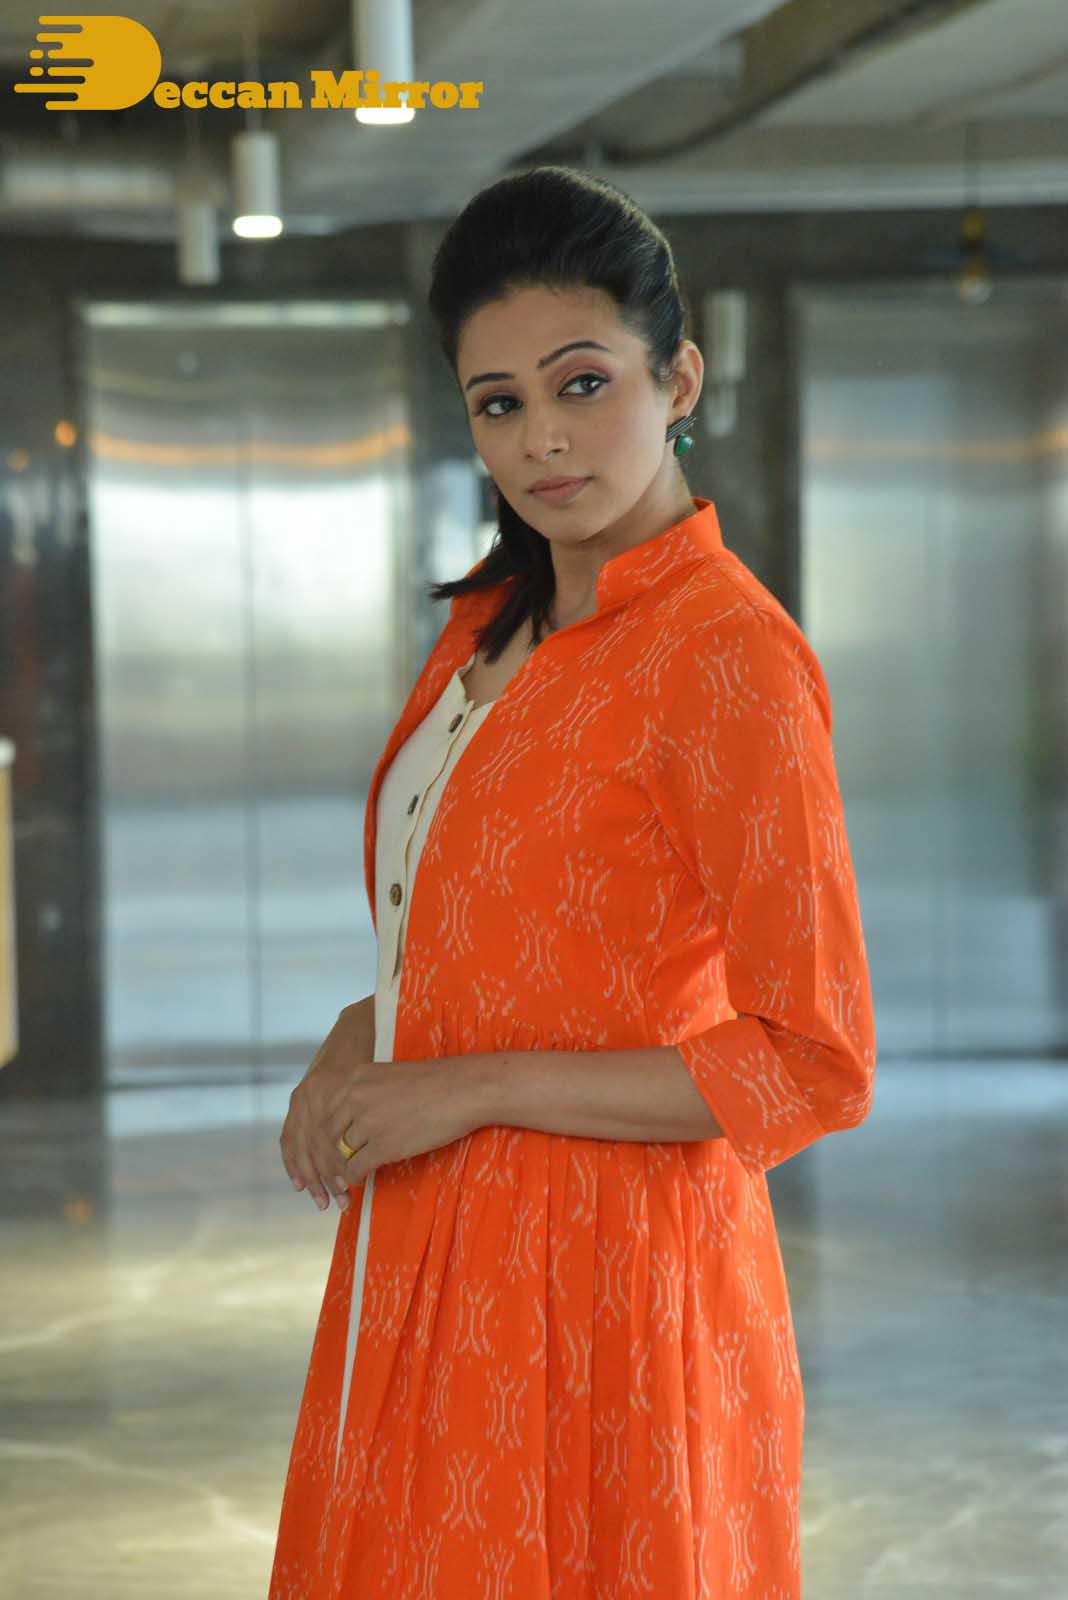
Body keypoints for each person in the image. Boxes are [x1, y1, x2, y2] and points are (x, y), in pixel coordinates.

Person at [270, 163, 876, 1599]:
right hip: (432, 1241)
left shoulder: (727, 657)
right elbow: (499, 921)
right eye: (498, 404)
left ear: (681, 379)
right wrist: (370, 1028)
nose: (542, 439)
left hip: (613, 1278)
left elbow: (812, 1058)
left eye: (582, 383)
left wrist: (467, 1085)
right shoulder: (492, 623)